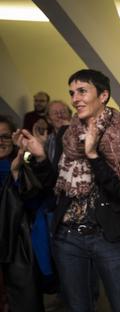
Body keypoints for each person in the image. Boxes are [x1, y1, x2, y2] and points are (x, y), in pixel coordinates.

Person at [29, 69, 120, 311]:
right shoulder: (64, 136)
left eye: (82, 91)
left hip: (108, 235)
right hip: (68, 237)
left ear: (103, 96)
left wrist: (92, 155)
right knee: (78, 307)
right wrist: (40, 159)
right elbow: (53, 186)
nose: (75, 98)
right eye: (72, 93)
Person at [0, 115, 45, 312]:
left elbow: (34, 203)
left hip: (18, 248)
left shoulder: (25, 165)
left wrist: (16, 172)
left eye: (5, 136)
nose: (0, 142)